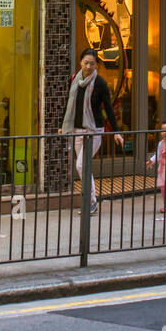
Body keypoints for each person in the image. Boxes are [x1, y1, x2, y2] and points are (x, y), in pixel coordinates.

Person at [59, 48, 123, 213]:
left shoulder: (100, 84)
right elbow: (69, 104)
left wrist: (116, 131)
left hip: (94, 130)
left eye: (92, 64)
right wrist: (62, 125)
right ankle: (92, 202)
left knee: (81, 165)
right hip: (77, 130)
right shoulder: (74, 79)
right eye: (86, 63)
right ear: (80, 62)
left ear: (97, 65)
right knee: (84, 166)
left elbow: (108, 108)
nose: (88, 66)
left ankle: (90, 201)